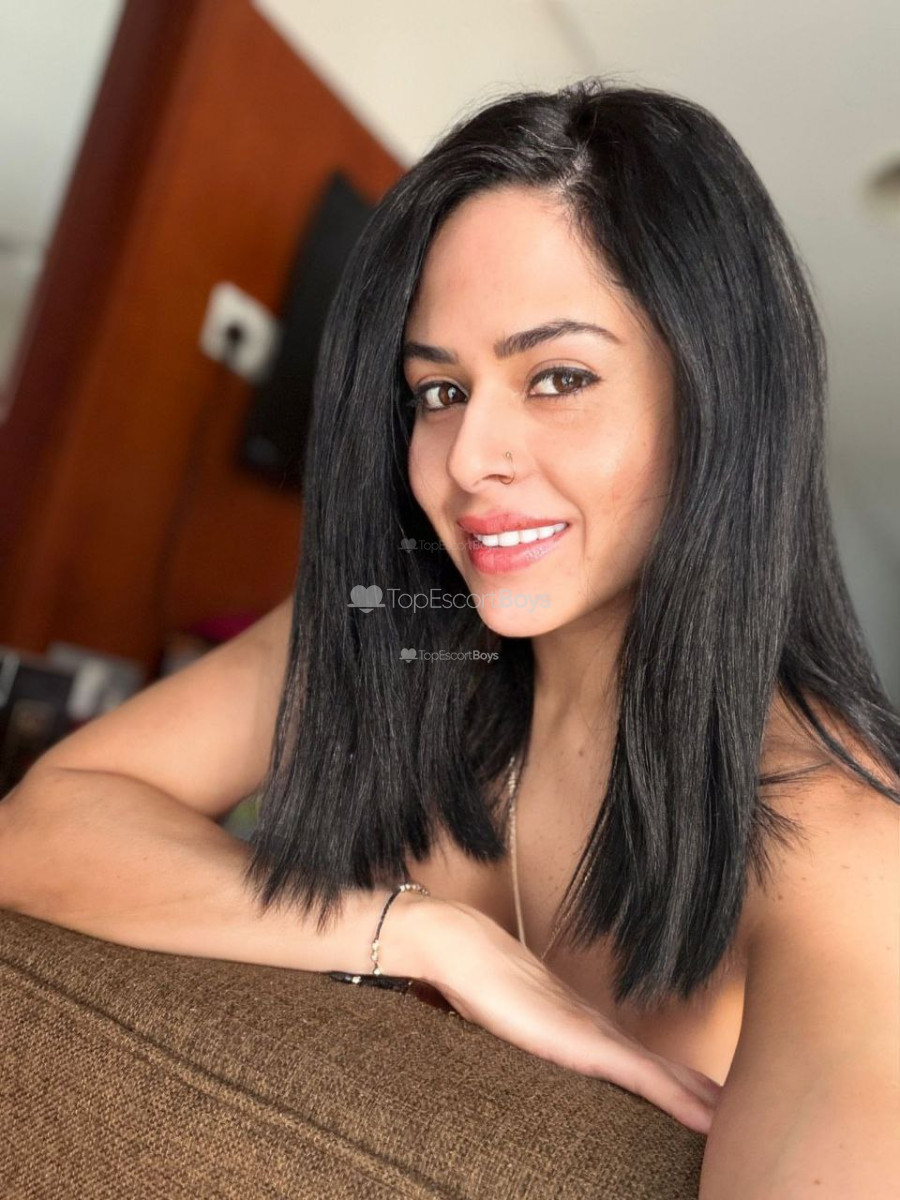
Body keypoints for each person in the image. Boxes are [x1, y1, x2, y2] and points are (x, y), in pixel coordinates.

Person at [2, 78, 898, 1192]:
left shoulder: (846, 850)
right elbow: (39, 826)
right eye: (438, 392)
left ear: (720, 404)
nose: (469, 459)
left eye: (558, 377)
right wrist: (424, 933)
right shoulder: (406, 631)